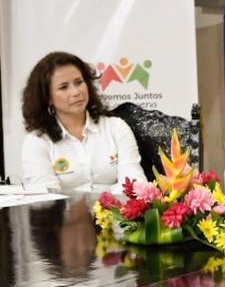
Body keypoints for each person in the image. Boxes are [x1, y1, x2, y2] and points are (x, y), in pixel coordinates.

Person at [21, 51, 146, 193]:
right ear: (48, 98)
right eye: (63, 87)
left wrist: (105, 208)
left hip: (116, 213)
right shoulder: (37, 141)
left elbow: (135, 184)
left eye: (79, 82)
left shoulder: (116, 127)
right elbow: (47, 199)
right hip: (62, 215)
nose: (76, 92)